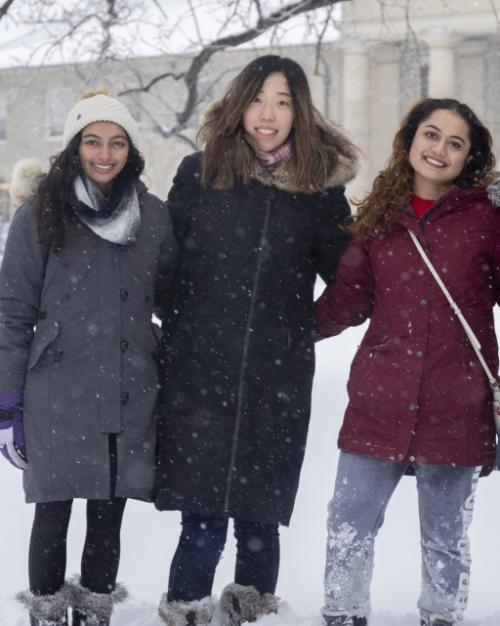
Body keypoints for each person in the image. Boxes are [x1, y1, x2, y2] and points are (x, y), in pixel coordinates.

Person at [154, 54, 359, 626]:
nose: (268, 114)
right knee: (201, 517)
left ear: (300, 112)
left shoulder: (318, 191)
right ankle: (186, 610)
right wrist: (184, 330)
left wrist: (301, 331)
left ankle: (252, 612)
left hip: (277, 377)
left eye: (284, 101)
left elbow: (352, 279)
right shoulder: (200, 172)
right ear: (239, 104)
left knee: (260, 514)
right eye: (259, 98)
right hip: (198, 371)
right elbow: (163, 269)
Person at [314, 98, 499, 626]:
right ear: (411, 140)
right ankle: (343, 615)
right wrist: (276, 336)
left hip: (457, 406)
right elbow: (346, 301)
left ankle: (441, 618)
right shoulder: (377, 219)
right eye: (431, 135)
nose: (439, 149)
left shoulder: (486, 218)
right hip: (379, 402)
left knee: (445, 539)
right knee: (347, 524)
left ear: (469, 157)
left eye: (455, 143)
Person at [0, 91, 178, 626]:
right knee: (53, 512)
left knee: (108, 516)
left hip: (128, 388)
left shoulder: (153, 217)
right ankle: (47, 616)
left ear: (131, 149)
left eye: (117, 142)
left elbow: (174, 299)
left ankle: (96, 615)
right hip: (56, 391)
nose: (105, 154)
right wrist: (8, 399)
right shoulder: (38, 215)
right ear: (74, 147)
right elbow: (11, 312)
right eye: (93, 141)